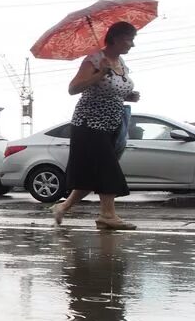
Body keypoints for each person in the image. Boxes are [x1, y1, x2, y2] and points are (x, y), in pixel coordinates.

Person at [53, 21, 140, 231]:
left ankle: (62, 208)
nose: (132, 44)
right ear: (116, 38)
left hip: (111, 125)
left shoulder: (120, 62)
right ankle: (107, 215)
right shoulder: (93, 60)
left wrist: (128, 96)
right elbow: (73, 88)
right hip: (89, 124)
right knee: (108, 168)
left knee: (91, 176)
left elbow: (110, 91)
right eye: (129, 39)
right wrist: (99, 74)